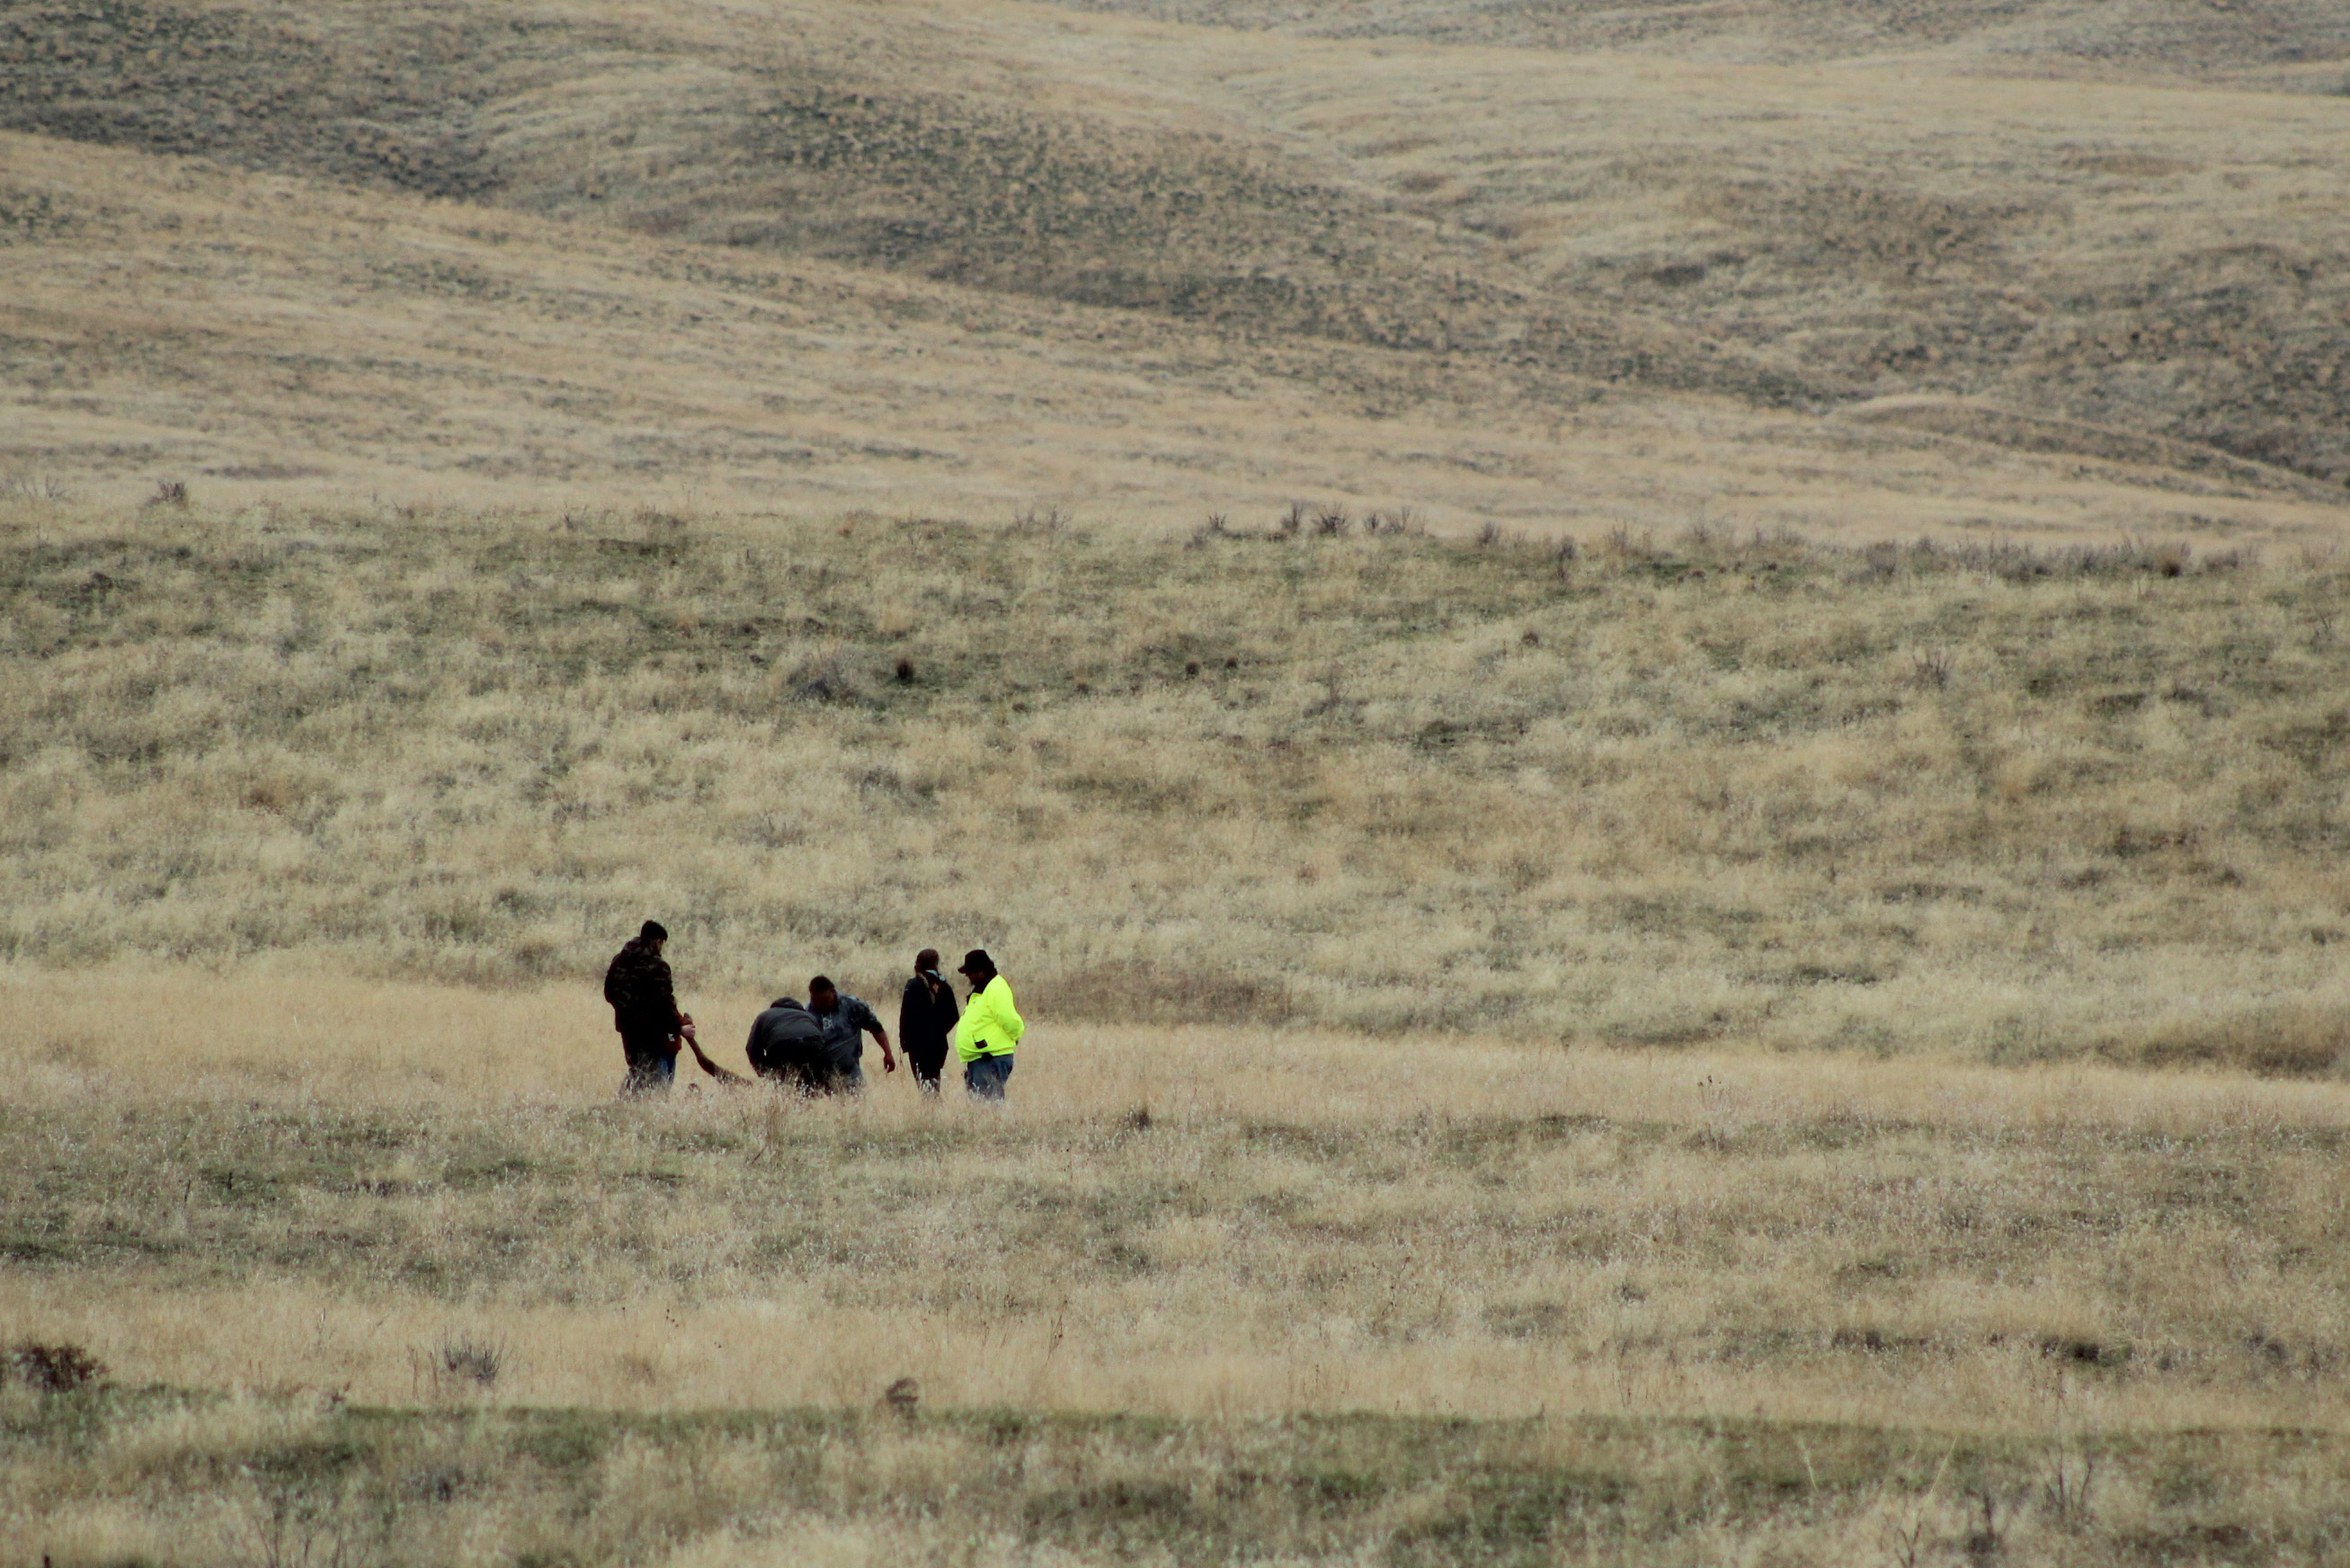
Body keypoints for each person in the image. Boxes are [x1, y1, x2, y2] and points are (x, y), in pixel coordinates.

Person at [604, 920, 694, 1095]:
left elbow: (609, 993)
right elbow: (665, 1004)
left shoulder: (620, 960)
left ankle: (625, 1108)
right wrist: (679, 1027)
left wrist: (628, 1013)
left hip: (629, 1031)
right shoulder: (658, 966)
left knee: (637, 1070)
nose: (661, 947)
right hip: (655, 1034)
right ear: (656, 941)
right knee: (657, 1082)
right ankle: (649, 1112)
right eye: (661, 942)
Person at [954, 949, 1022, 1100]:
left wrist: (1015, 1036)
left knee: (989, 1107)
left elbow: (1009, 1019)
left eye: (970, 973)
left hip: (990, 1058)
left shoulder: (996, 988)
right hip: (980, 1059)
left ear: (981, 971)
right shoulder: (983, 990)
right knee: (980, 1107)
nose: (968, 977)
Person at [807, 976, 895, 1092]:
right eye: (815, 1001)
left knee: (856, 1105)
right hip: (820, 1073)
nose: (820, 1005)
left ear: (833, 992)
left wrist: (888, 1053)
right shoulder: (807, 1012)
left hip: (850, 1070)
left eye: (824, 1001)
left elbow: (876, 1028)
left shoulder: (852, 1006)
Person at [897, 949, 961, 1095]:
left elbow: (905, 1016)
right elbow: (954, 1015)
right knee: (934, 1080)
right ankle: (934, 1108)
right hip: (939, 1045)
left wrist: (905, 1042)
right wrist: (938, 1031)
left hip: (917, 1045)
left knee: (923, 1084)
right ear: (936, 963)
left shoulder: (912, 986)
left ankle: (930, 1111)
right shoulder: (944, 985)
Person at [743, 993, 829, 1093]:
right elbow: (824, 1045)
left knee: (783, 1087)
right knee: (810, 1086)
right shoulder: (809, 1016)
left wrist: (766, 1072)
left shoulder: (764, 1015)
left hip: (781, 1046)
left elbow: (752, 1048)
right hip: (812, 1045)